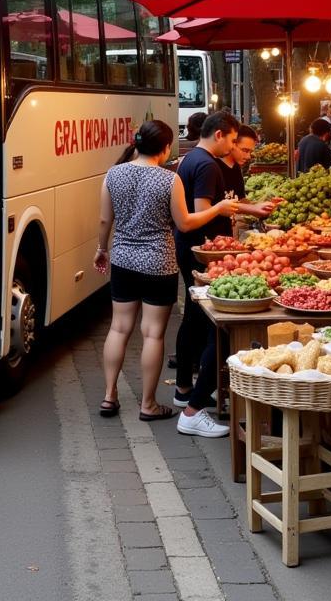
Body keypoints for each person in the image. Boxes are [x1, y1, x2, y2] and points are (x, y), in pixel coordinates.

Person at [95, 120, 227, 421]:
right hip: (159, 262)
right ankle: (148, 404)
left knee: (119, 328)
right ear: (166, 148)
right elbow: (184, 223)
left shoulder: (113, 174)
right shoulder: (169, 179)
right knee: (153, 334)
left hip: (123, 259)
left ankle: (109, 396)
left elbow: (105, 221)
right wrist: (217, 209)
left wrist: (102, 249)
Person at [172, 110, 242, 438]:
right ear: (219, 135)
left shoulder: (190, 159)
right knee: (217, 327)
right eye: (231, 139)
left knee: (196, 321)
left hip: (191, 249)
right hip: (202, 251)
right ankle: (193, 405)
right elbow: (200, 213)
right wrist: (221, 210)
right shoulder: (207, 165)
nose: (232, 145)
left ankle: (186, 389)